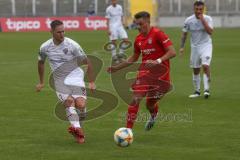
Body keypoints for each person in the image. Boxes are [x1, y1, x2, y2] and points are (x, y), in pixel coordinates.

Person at [108, 11, 176, 130]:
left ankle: (153, 116)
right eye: (136, 24)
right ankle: (128, 131)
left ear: (148, 22)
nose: (138, 27)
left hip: (162, 78)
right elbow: (134, 57)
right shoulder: (138, 39)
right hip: (144, 75)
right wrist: (117, 68)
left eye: (140, 24)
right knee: (135, 99)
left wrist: (158, 61)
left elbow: (172, 52)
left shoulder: (158, 34)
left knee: (150, 104)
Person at [36, 20, 96, 144]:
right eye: (59, 32)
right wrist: (41, 82)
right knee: (69, 101)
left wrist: (91, 81)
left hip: (76, 77)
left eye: (63, 31)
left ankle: (78, 125)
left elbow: (87, 61)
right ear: (51, 32)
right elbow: (41, 63)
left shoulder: (72, 45)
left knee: (81, 105)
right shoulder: (45, 47)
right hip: (59, 80)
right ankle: (78, 130)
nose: (62, 34)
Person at [179, 1, 213, 99]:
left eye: (201, 9)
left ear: (203, 9)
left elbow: (210, 32)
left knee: (205, 66)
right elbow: (184, 34)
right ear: (194, 9)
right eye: (197, 9)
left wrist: (203, 21)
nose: (198, 11)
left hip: (206, 45)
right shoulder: (188, 20)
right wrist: (182, 47)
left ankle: (207, 90)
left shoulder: (208, 19)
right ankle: (197, 91)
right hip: (194, 47)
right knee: (196, 69)